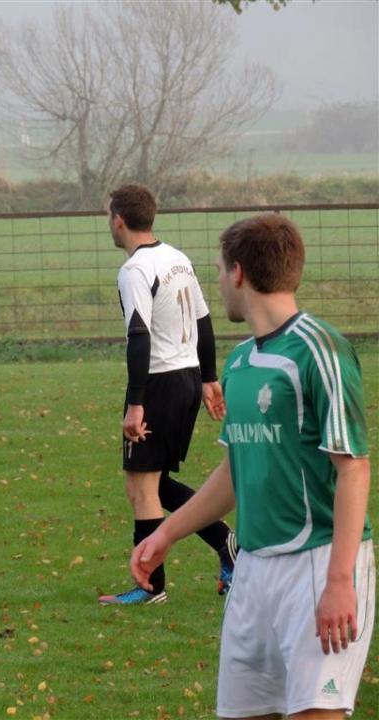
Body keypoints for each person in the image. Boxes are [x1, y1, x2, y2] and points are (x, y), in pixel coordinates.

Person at [132, 214, 374, 719]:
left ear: (238, 272)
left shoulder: (320, 350)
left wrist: (339, 581)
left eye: (219, 270)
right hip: (253, 571)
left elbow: (353, 469)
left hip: (317, 563)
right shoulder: (240, 363)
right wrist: (166, 533)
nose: (218, 282)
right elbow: (235, 472)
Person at [99, 184, 236, 605]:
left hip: (158, 384)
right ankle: (226, 544)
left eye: (108, 216)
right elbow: (203, 320)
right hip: (187, 378)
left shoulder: (135, 270)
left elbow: (138, 335)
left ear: (119, 220)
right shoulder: (177, 259)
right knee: (153, 482)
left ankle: (151, 588)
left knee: (141, 487)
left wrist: (136, 403)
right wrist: (208, 377)